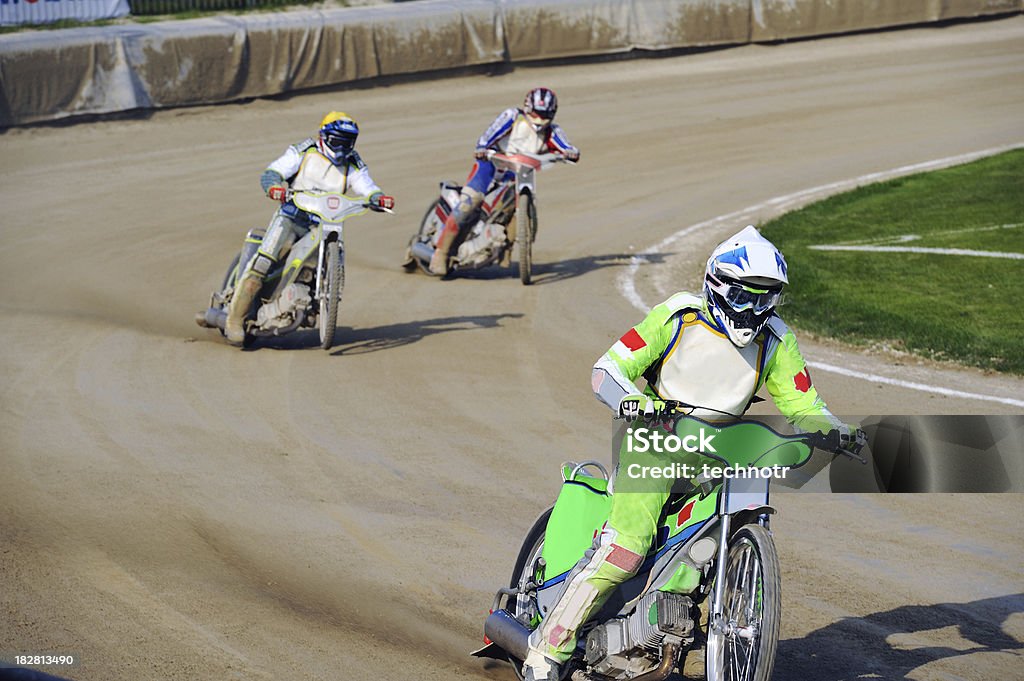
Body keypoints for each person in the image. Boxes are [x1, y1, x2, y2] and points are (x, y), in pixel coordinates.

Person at [520, 225, 866, 680]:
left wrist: (834, 431)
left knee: (709, 548)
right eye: (744, 295)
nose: (753, 309)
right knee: (626, 548)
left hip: (721, 455)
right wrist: (634, 401)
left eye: (765, 298)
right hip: (655, 443)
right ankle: (547, 651)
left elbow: (804, 403)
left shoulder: (777, 341)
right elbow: (608, 369)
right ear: (718, 285)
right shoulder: (678, 316)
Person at [220, 111, 394, 345]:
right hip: (291, 217)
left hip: (323, 223)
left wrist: (378, 197)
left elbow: (366, 185)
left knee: (324, 258)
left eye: (348, 142)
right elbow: (273, 171)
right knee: (263, 262)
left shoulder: (353, 163)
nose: (342, 147)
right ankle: (234, 320)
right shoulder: (304, 151)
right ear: (324, 137)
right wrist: (274, 186)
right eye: (338, 141)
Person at [428, 87, 580, 276]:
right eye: (536, 113)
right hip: (490, 166)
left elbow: (566, 146)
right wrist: (483, 147)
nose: (540, 119)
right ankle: (440, 254)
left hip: (516, 174)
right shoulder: (512, 116)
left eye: (545, 115)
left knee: (508, 210)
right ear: (527, 107)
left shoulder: (552, 131)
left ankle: (503, 247)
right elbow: (487, 136)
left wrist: (571, 153)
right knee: (470, 202)